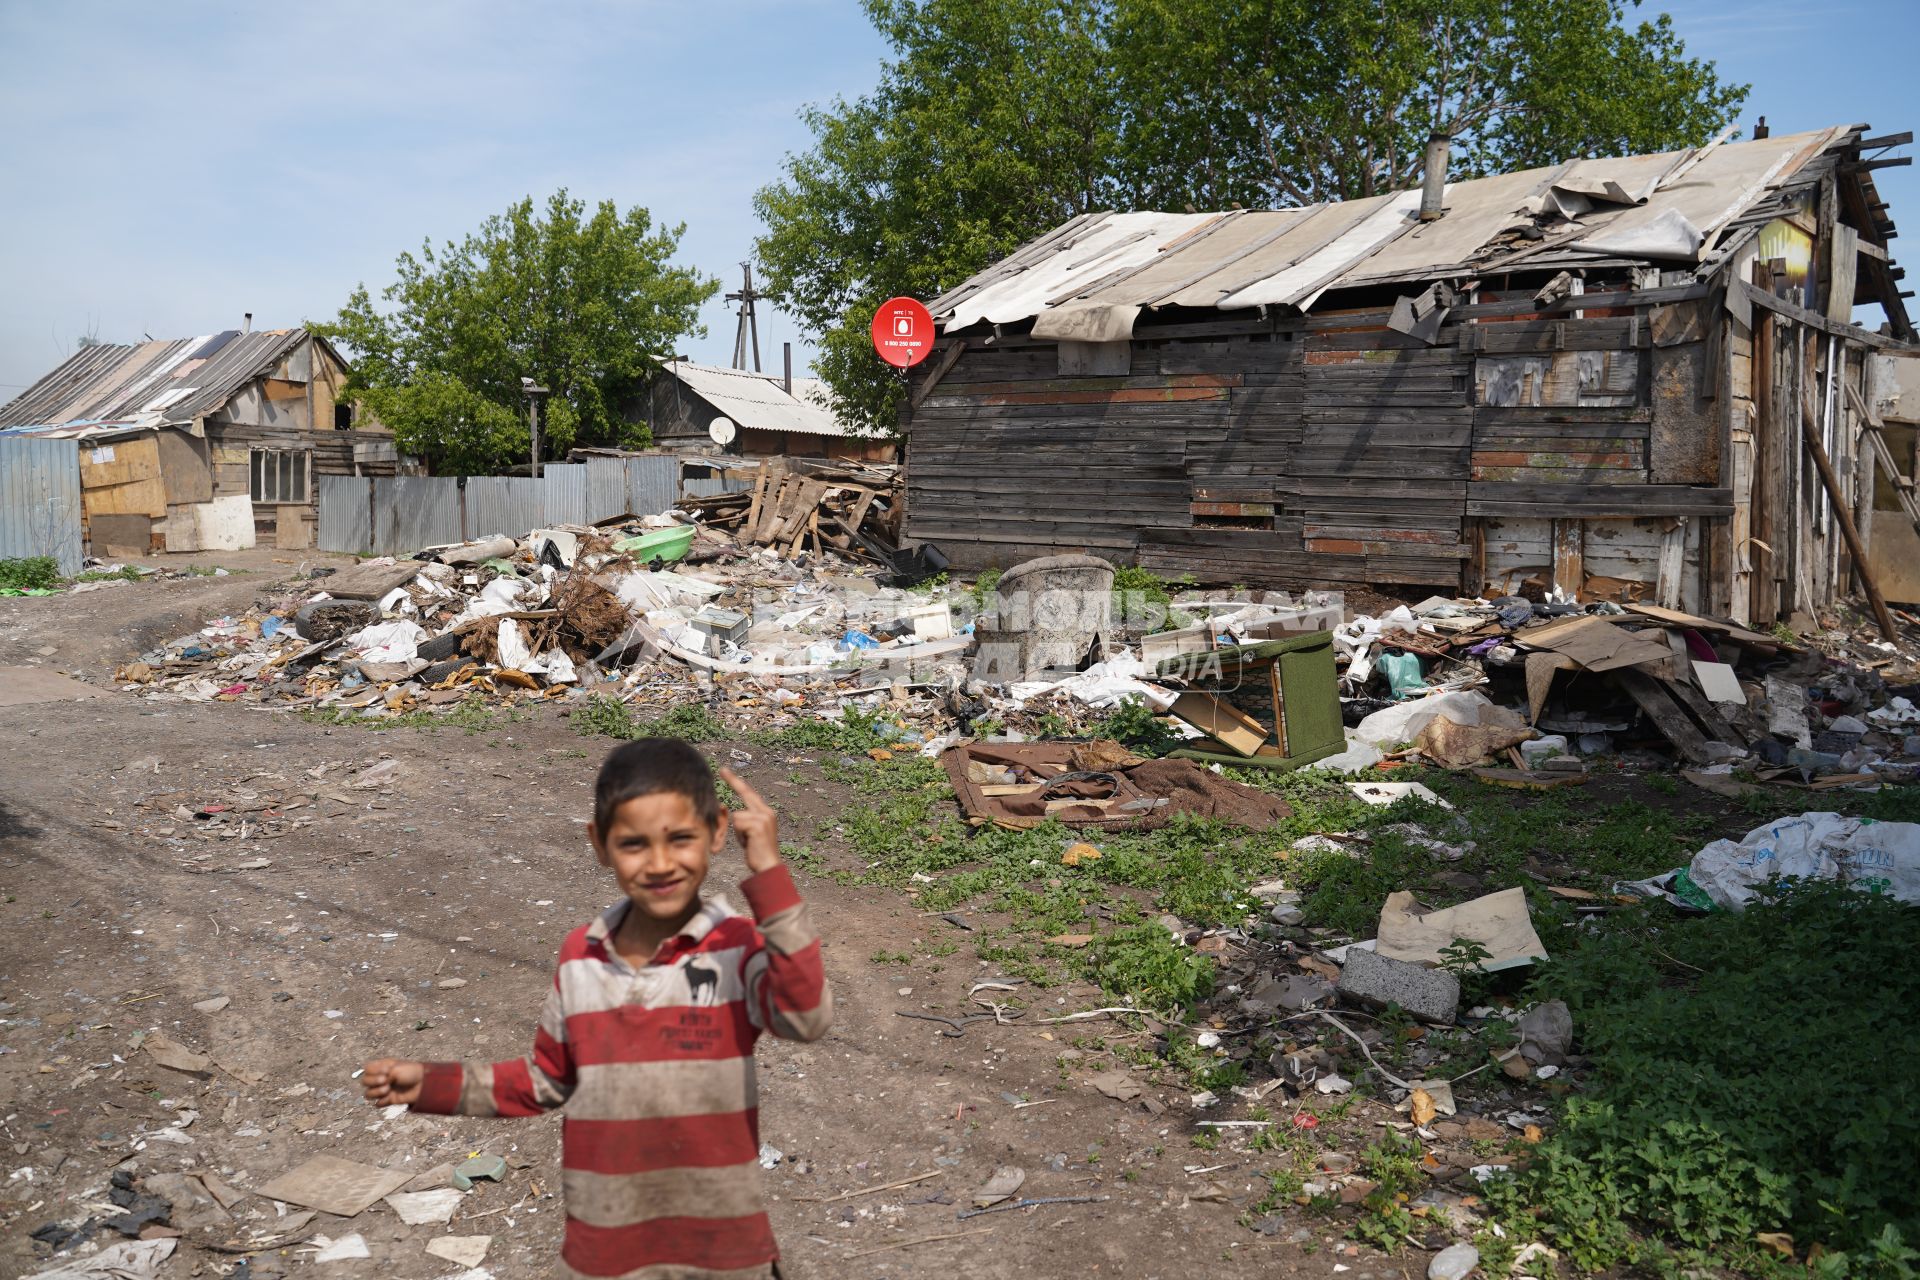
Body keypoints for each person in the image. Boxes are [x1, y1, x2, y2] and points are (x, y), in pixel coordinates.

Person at [360, 739, 832, 1279]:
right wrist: (430, 1085)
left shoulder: (738, 948)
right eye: (633, 844)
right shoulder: (580, 955)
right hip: (606, 1251)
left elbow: (806, 1017)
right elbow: (545, 1081)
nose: (659, 864)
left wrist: (769, 871)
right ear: (599, 845)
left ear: (718, 831)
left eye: (680, 839)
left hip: (723, 1249)